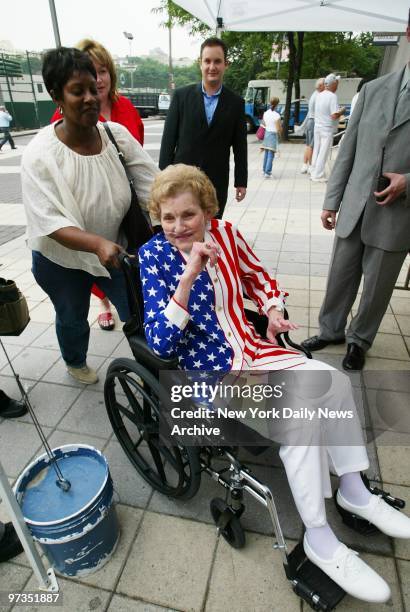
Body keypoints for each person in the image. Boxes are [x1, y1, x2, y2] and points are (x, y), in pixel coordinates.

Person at [138, 164, 410, 604]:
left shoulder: (226, 235)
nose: (177, 227)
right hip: (212, 374)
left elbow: (259, 277)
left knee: (333, 381)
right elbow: (161, 342)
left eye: (187, 215)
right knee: (300, 419)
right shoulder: (154, 256)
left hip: (254, 348)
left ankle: (355, 492)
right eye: (168, 218)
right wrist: (188, 277)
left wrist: (273, 308)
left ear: (207, 211)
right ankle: (320, 541)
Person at [21, 47, 157, 385]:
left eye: (93, 89)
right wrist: (96, 243)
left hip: (116, 251)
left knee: (139, 312)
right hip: (61, 261)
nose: (89, 98)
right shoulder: (39, 155)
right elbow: (48, 221)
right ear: (56, 95)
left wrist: (187, 213)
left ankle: (153, 369)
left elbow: (155, 185)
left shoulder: (116, 135)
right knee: (73, 317)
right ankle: (75, 361)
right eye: (76, 91)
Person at [302, 16, 410, 371]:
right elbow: (347, 149)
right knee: (340, 275)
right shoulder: (375, 88)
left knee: (378, 285)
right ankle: (330, 329)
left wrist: (408, 181)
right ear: (408, 32)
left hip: (398, 211)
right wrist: (331, 200)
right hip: (355, 205)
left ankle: (359, 340)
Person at [51, 39, 145, 331]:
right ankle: (100, 307)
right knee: (72, 312)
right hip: (76, 241)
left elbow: (141, 168)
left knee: (134, 300)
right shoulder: (54, 133)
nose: (97, 81)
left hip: (120, 229)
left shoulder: (124, 113)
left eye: (102, 72)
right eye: (81, 88)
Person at [159, 37, 247, 218]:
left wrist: (241, 181)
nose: (212, 67)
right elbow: (168, 141)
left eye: (217, 61)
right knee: (182, 233)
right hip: (181, 183)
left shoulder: (236, 103)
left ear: (225, 65)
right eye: (207, 61)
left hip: (216, 183)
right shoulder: (181, 97)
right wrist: (163, 179)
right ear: (200, 63)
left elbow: (240, 147)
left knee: (211, 233)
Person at [310, 74, 345, 182]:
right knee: (323, 152)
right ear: (333, 84)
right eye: (337, 83)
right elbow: (334, 115)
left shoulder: (319, 95)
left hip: (318, 126)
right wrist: (341, 111)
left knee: (317, 149)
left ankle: (313, 170)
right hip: (327, 127)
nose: (338, 86)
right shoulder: (332, 96)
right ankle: (318, 175)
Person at [300, 77, 325, 174]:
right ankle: (311, 166)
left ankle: (304, 165)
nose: (326, 86)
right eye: (325, 84)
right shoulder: (319, 95)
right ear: (320, 86)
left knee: (308, 145)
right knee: (311, 146)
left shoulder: (314, 94)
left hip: (310, 121)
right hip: (314, 121)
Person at [260, 97, 282, 178]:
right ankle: (268, 172)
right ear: (277, 104)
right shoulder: (277, 115)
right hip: (273, 135)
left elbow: (264, 124)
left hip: (267, 133)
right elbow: (278, 128)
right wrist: (280, 134)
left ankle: (264, 170)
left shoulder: (266, 113)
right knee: (271, 154)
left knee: (266, 153)